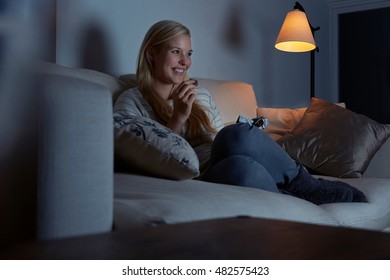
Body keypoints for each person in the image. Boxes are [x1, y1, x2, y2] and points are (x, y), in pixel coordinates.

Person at [113, 20, 367, 205]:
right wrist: (178, 117)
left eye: (188, 53)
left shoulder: (199, 93)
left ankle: (307, 186)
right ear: (151, 54)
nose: (185, 62)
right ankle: (296, 198)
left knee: (234, 138)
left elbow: (215, 141)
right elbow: (148, 160)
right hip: (199, 176)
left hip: (219, 156)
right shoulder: (131, 101)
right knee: (241, 168)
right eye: (176, 51)